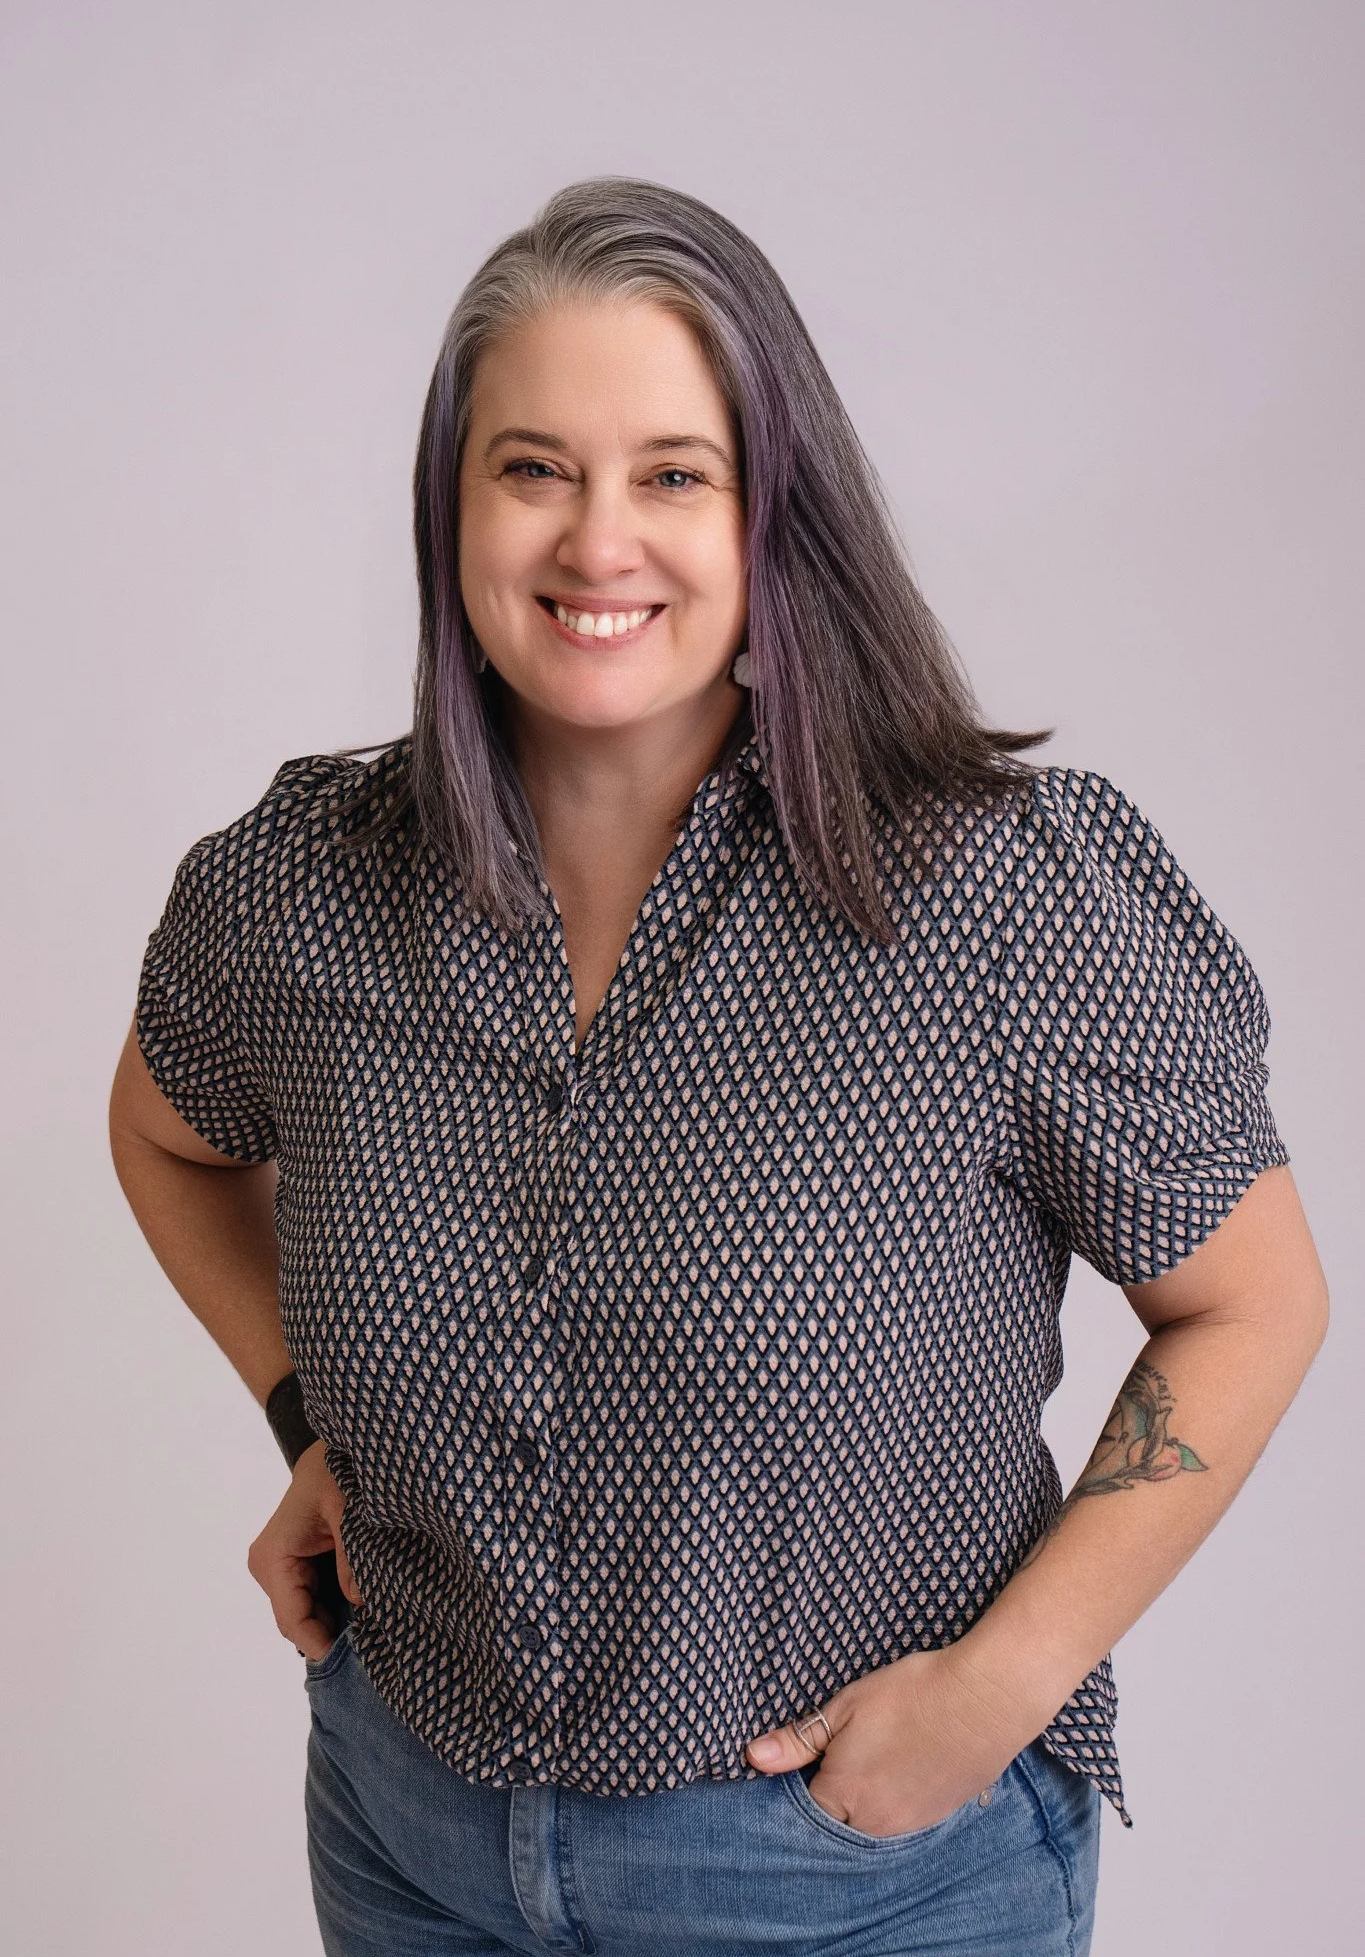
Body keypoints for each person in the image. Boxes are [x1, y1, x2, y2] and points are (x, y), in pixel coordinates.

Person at [109, 177, 1328, 1957]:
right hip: (408, 1831)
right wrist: (320, 1428)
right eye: (534, 468)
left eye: (675, 474)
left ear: (777, 512)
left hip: (849, 1879)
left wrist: (1000, 1690)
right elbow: (166, 1139)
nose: (600, 541)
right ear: (454, 505)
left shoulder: (998, 895)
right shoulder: (299, 888)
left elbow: (1257, 1304)